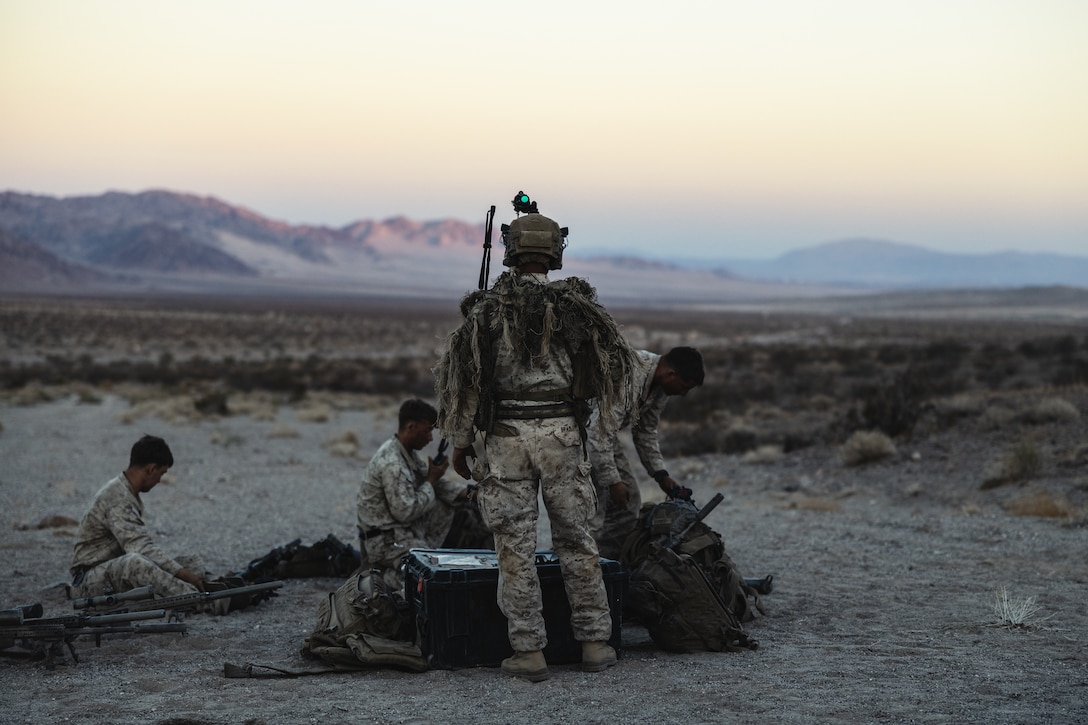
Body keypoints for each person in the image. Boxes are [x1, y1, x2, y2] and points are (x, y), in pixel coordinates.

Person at [434, 197, 641, 682]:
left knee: (515, 546)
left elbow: (466, 383)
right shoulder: (578, 309)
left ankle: (528, 652)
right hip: (563, 437)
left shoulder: (486, 313)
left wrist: (462, 443)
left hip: (506, 439)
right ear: (554, 252)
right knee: (577, 539)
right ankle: (594, 643)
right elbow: (609, 375)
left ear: (509, 249)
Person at [589, 346, 705, 560]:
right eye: (684, 387)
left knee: (628, 503)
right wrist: (613, 481)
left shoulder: (660, 387)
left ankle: (611, 566)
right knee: (592, 509)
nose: (683, 394)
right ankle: (574, 570)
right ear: (671, 374)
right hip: (579, 433)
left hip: (603, 435)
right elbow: (598, 432)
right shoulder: (631, 374)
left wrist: (661, 475)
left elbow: (645, 431)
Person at [70, 435, 210, 601]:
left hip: (114, 568)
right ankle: (204, 602)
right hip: (90, 580)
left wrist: (186, 572)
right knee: (136, 564)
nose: (159, 480)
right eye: (161, 473)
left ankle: (191, 591)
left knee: (193, 563)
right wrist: (185, 575)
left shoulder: (127, 491)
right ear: (151, 469)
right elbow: (139, 548)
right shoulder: (116, 497)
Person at [356, 398, 474, 591]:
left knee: (451, 506)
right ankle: (379, 575)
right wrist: (432, 479)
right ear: (411, 427)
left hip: (399, 531)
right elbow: (406, 510)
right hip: (385, 541)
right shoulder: (392, 463)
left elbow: (433, 483)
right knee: (431, 577)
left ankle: (397, 568)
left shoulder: (405, 452)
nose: (430, 438)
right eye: (427, 431)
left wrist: (467, 493)